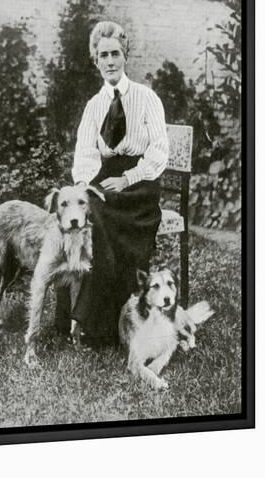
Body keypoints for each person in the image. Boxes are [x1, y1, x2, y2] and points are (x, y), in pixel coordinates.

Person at [69, 20, 169, 344]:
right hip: (103, 184)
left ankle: (91, 321)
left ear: (125, 56)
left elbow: (158, 152)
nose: (110, 61)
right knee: (91, 216)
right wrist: (87, 184)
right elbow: (84, 155)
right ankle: (96, 323)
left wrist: (126, 179)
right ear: (95, 61)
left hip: (139, 186)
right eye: (103, 55)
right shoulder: (93, 107)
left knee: (103, 221)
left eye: (115, 53)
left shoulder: (147, 97)